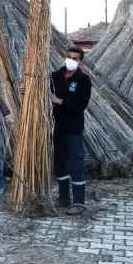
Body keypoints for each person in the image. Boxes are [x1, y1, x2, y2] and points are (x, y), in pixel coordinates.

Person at [49, 47, 92, 215]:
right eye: (68, 57)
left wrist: (59, 101)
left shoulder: (83, 79)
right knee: (59, 163)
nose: (71, 60)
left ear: (80, 61)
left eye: (75, 58)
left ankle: (79, 202)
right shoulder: (55, 76)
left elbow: (81, 105)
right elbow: (41, 88)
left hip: (73, 129)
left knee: (76, 164)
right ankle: (63, 198)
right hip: (57, 127)